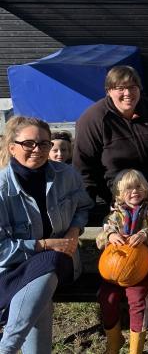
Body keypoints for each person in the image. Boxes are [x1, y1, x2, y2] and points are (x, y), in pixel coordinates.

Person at [0, 116, 93, 354]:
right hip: (12, 269)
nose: (37, 150)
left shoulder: (66, 174)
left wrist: (73, 231)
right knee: (45, 269)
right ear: (12, 147)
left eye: (44, 144)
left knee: (50, 263)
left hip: (62, 260)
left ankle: (8, 347)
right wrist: (42, 244)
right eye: (28, 144)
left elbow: (83, 207)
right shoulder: (2, 188)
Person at [74, 65, 148, 213]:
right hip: (119, 193)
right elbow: (83, 168)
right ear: (109, 91)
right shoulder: (93, 119)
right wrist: (87, 209)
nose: (128, 93)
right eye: (120, 88)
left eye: (133, 87)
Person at [96, 169, 148, 354]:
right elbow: (101, 237)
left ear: (146, 190)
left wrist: (144, 234)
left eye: (138, 187)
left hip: (141, 269)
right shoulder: (114, 215)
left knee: (137, 300)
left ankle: (136, 348)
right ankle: (114, 340)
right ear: (119, 193)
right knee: (106, 297)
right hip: (113, 270)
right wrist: (110, 236)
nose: (134, 191)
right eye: (129, 188)